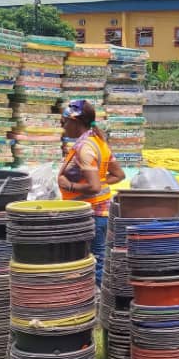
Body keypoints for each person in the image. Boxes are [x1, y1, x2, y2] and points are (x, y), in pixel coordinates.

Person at [57, 99, 125, 285]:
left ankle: (97, 300)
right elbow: (118, 175)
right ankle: (97, 299)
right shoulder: (99, 142)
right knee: (97, 258)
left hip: (90, 213)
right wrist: (97, 182)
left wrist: (69, 186)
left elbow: (94, 186)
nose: (63, 126)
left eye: (65, 121)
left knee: (93, 261)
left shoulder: (85, 148)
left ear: (76, 122)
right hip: (99, 212)